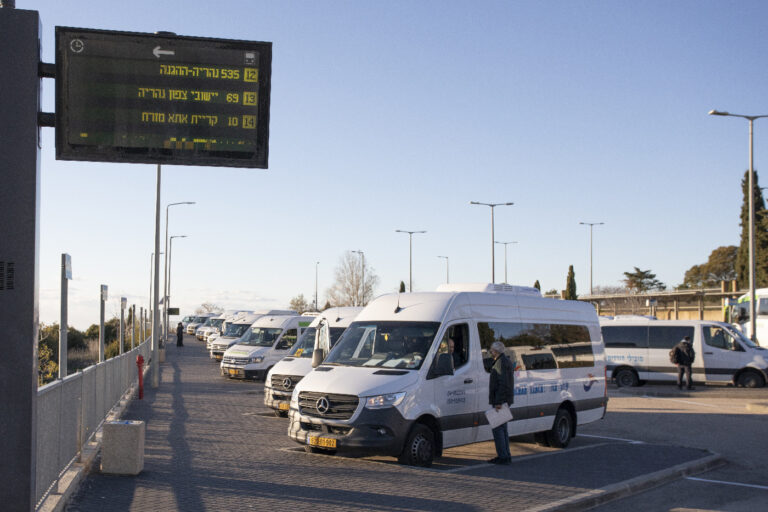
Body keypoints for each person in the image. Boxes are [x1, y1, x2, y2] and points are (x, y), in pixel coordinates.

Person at [488, 341, 514, 465]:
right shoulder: (505, 361)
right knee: (503, 429)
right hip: (505, 400)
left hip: (500, 401)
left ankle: (503, 456)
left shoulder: (500, 363)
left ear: (496, 351)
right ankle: (506, 455)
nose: (490, 352)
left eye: (491, 350)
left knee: (498, 429)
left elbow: (502, 384)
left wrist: (498, 401)